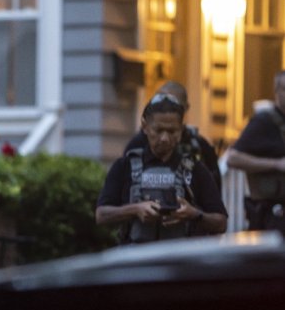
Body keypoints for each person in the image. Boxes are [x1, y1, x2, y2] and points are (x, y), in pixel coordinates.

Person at [96, 93, 227, 243]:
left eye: (172, 131)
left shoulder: (194, 169)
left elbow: (221, 223)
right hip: (136, 260)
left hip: (179, 260)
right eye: (158, 130)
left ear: (181, 130)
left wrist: (194, 214)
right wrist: (135, 209)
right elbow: (101, 215)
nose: (164, 138)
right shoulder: (125, 166)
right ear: (145, 127)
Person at [124, 81, 222, 193]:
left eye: (173, 104)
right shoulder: (137, 144)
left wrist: (194, 210)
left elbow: (215, 193)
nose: (164, 138)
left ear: (186, 108)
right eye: (159, 102)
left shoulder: (199, 145)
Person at [226, 70, 285, 233]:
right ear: (276, 92)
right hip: (272, 212)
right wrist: (276, 164)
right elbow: (233, 158)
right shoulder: (264, 121)